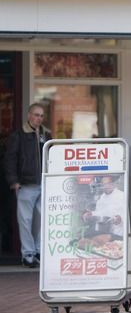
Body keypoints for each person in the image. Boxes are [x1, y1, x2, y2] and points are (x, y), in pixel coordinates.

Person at [4, 103, 51, 268]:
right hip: (26, 184)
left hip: (43, 183)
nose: (39, 118)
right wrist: (13, 182)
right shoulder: (19, 135)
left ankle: (38, 250)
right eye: (36, 115)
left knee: (40, 220)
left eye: (42, 115)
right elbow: (10, 159)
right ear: (29, 116)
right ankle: (28, 254)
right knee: (25, 220)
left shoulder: (46, 135)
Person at [83, 175, 126, 239]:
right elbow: (100, 213)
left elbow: (128, 215)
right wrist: (91, 214)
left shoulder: (122, 195)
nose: (106, 186)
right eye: (104, 184)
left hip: (118, 233)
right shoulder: (102, 198)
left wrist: (120, 219)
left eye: (108, 183)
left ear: (113, 184)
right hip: (105, 232)